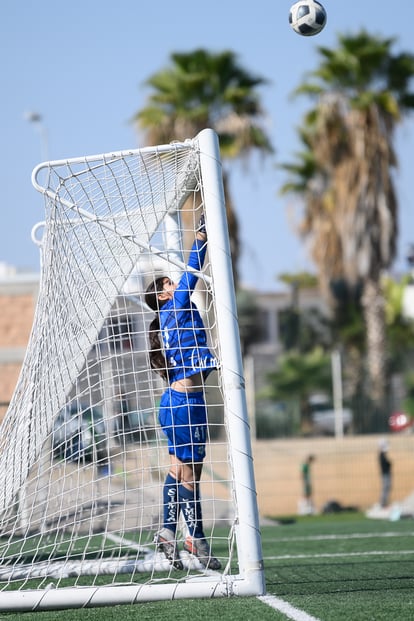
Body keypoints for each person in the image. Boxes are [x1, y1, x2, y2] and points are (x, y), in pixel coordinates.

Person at [145, 214, 221, 571]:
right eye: (168, 283)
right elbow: (192, 270)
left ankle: (167, 532)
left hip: (180, 403)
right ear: (160, 295)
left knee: (181, 470)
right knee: (191, 472)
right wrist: (202, 237)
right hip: (183, 404)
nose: (175, 284)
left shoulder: (175, 313)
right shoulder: (172, 307)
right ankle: (197, 538)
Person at [378, 439, 392, 508]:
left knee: (387, 488)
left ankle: (384, 503)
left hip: (386, 474)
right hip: (385, 474)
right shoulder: (382, 455)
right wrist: (389, 463)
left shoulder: (383, 455)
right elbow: (386, 465)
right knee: (385, 488)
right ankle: (383, 503)